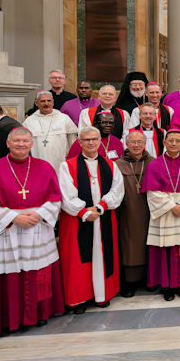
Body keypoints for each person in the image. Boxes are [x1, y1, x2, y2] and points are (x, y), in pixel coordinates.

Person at [0, 127, 65, 332]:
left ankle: (39, 313)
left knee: (38, 272)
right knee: (10, 275)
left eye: (25, 141)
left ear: (31, 144)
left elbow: (55, 198)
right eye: (16, 141)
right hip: (8, 230)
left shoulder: (44, 167)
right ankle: (10, 318)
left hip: (37, 227)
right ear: (8, 143)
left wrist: (40, 214)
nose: (21, 144)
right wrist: (13, 217)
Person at [58, 126, 124, 312]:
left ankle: (101, 295)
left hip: (103, 218)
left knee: (103, 256)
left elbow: (117, 191)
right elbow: (66, 195)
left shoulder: (111, 165)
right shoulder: (67, 166)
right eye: (86, 140)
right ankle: (79, 298)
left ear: (100, 141)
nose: (91, 143)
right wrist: (84, 212)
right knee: (78, 260)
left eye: (94, 139)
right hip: (77, 221)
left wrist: (101, 207)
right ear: (79, 142)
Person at [143, 130, 180, 301]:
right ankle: (167, 286)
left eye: (178, 141)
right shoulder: (154, 165)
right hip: (166, 214)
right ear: (164, 142)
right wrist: (171, 206)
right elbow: (152, 193)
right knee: (166, 250)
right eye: (171, 141)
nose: (174, 144)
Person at [116, 130, 154, 297]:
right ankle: (130, 282)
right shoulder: (118, 165)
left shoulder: (153, 163)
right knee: (129, 245)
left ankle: (149, 279)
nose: (136, 145)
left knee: (149, 243)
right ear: (127, 144)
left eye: (140, 142)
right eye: (133, 142)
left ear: (145, 144)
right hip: (127, 211)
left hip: (150, 211)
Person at [24, 90, 78, 172]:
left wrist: (71, 159)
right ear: (36, 103)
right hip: (38, 160)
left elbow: (72, 140)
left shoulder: (64, 118)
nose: (46, 104)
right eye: (42, 101)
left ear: (53, 102)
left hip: (60, 161)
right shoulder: (29, 121)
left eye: (49, 101)